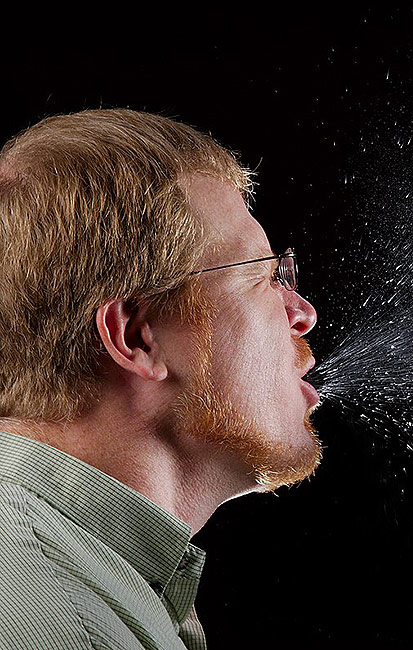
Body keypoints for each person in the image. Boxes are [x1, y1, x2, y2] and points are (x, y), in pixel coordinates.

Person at [0, 109, 322, 649]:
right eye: (265, 278)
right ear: (138, 336)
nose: (302, 312)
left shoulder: (93, 583)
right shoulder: (47, 609)